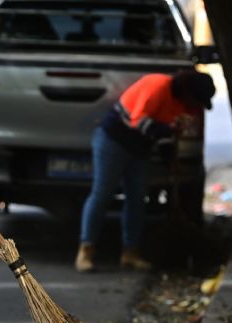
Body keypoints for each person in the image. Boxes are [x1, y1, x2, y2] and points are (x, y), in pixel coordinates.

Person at [75, 70, 215, 272]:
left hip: (139, 148)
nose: (193, 106)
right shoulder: (157, 86)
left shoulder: (181, 104)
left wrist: (170, 160)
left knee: (137, 198)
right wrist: (168, 130)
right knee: (102, 194)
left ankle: (130, 253)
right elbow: (138, 121)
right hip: (114, 141)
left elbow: (163, 136)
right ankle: (86, 250)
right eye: (195, 100)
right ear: (188, 91)